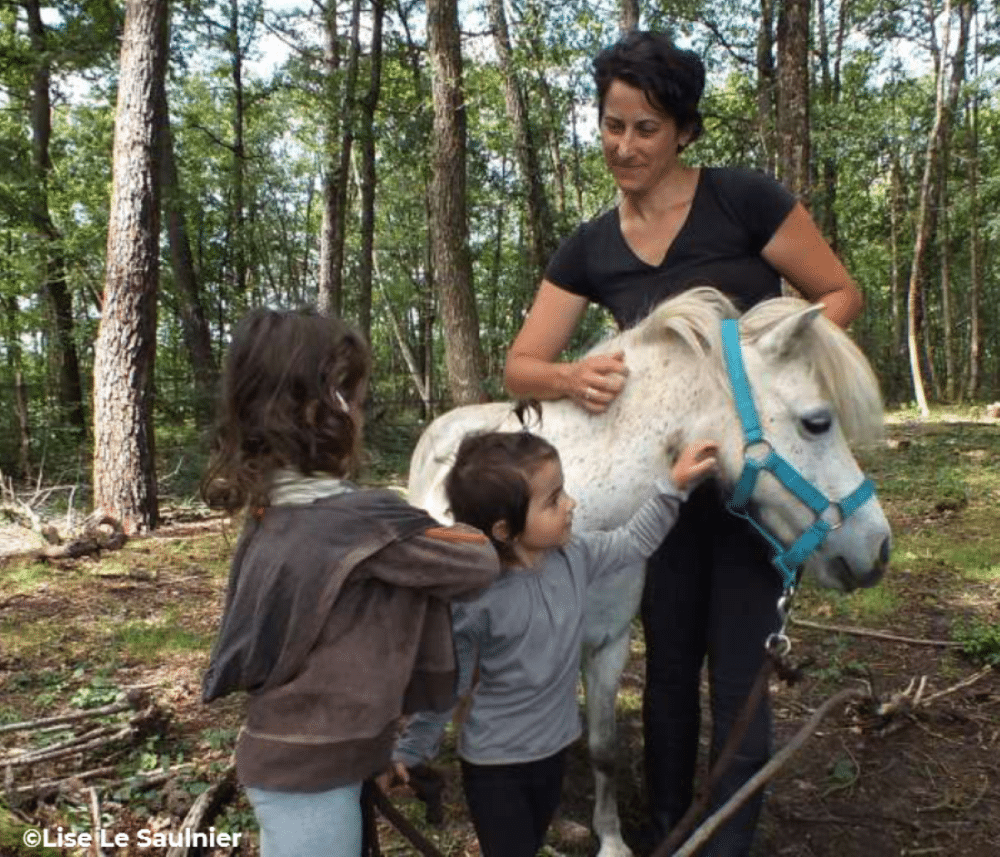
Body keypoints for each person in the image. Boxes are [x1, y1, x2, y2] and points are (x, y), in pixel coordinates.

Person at [502, 30, 865, 857]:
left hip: (756, 485)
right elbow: (522, 363)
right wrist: (568, 379)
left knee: (739, 671)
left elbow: (840, 293)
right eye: (612, 125)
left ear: (685, 132)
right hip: (655, 490)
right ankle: (669, 832)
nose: (624, 146)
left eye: (647, 128)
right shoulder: (591, 244)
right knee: (665, 672)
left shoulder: (743, 201)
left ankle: (726, 841)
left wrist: (773, 360)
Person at [199, 307, 501, 857]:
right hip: (312, 770)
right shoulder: (363, 522)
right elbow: (476, 563)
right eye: (357, 403)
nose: (361, 418)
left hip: (296, 755)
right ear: (328, 408)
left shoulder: (272, 512)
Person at [386, 429, 719, 857]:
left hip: (554, 753)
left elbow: (634, 541)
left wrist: (673, 486)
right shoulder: (476, 598)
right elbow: (451, 681)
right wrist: (413, 749)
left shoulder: (575, 556)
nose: (571, 504)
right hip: (495, 767)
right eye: (553, 500)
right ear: (505, 529)